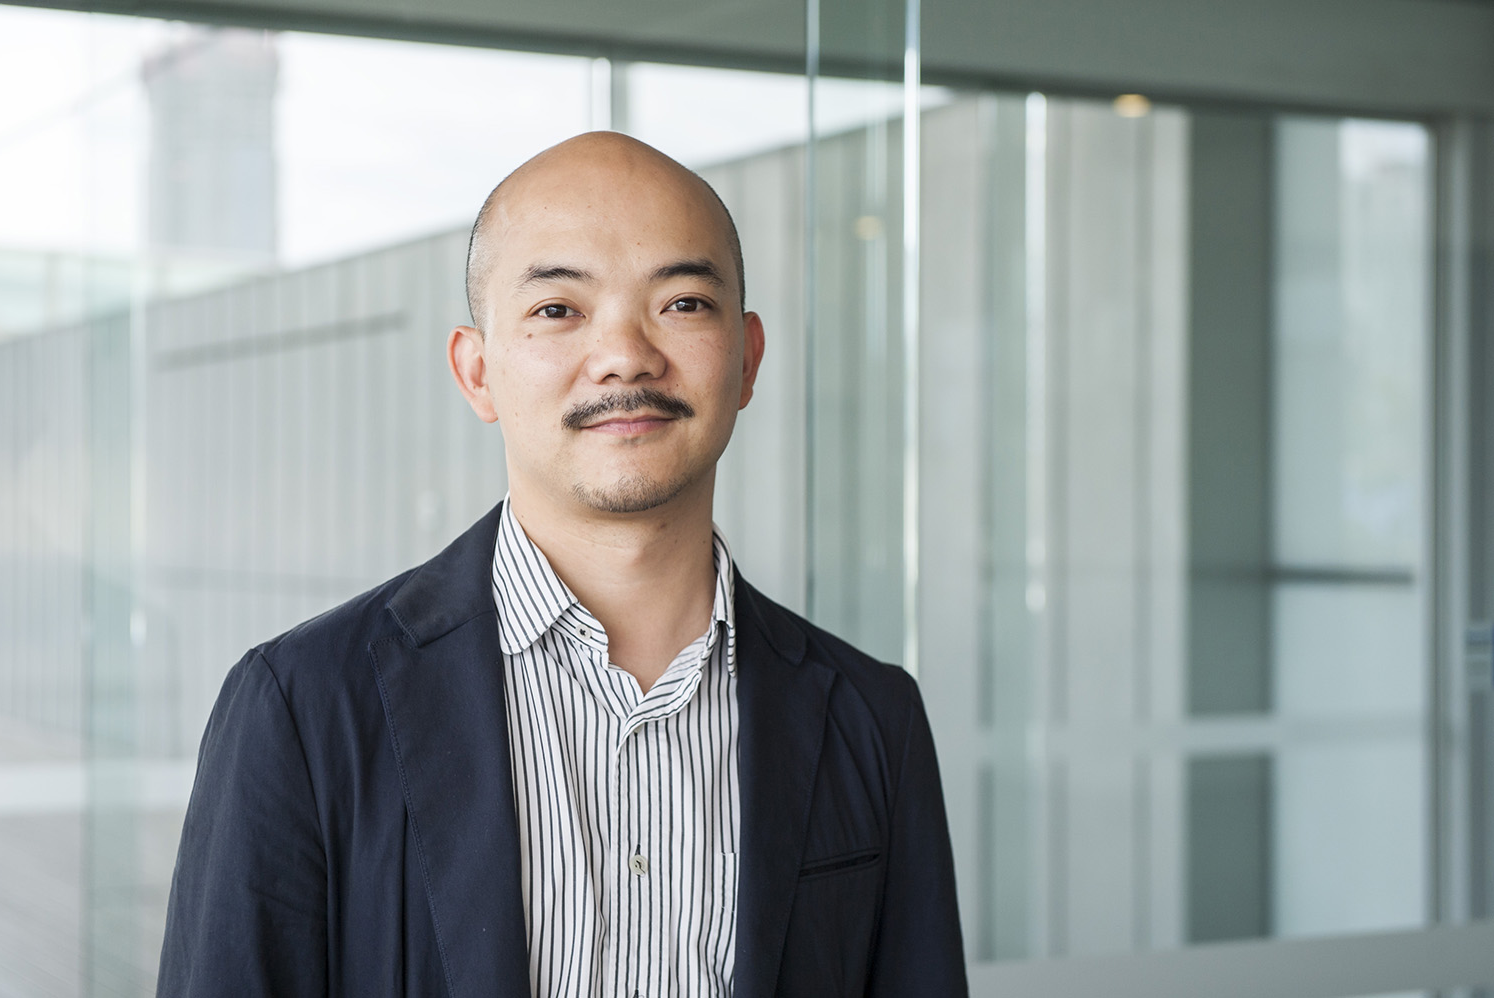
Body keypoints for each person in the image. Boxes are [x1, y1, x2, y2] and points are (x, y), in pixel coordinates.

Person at [156, 131, 967, 998]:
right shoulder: (302, 708)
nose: (624, 354)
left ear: (747, 359)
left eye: (684, 302)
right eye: (558, 310)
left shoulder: (872, 719)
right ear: (477, 373)